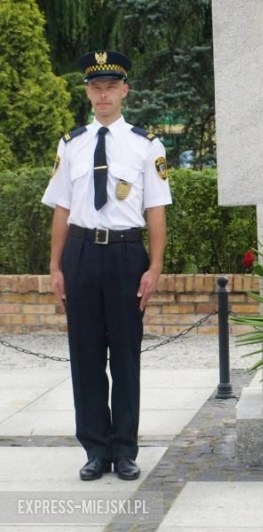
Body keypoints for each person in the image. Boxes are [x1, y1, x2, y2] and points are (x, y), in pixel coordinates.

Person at [42, 50, 172, 481]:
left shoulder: (146, 144)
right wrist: (55, 266)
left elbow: (155, 210)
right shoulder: (72, 143)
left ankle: (125, 449)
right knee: (85, 355)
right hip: (80, 254)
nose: (103, 95)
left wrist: (154, 267)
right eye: (95, 88)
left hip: (124, 256)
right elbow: (62, 208)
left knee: (125, 357)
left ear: (124, 91)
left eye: (110, 87)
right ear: (88, 92)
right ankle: (96, 449)